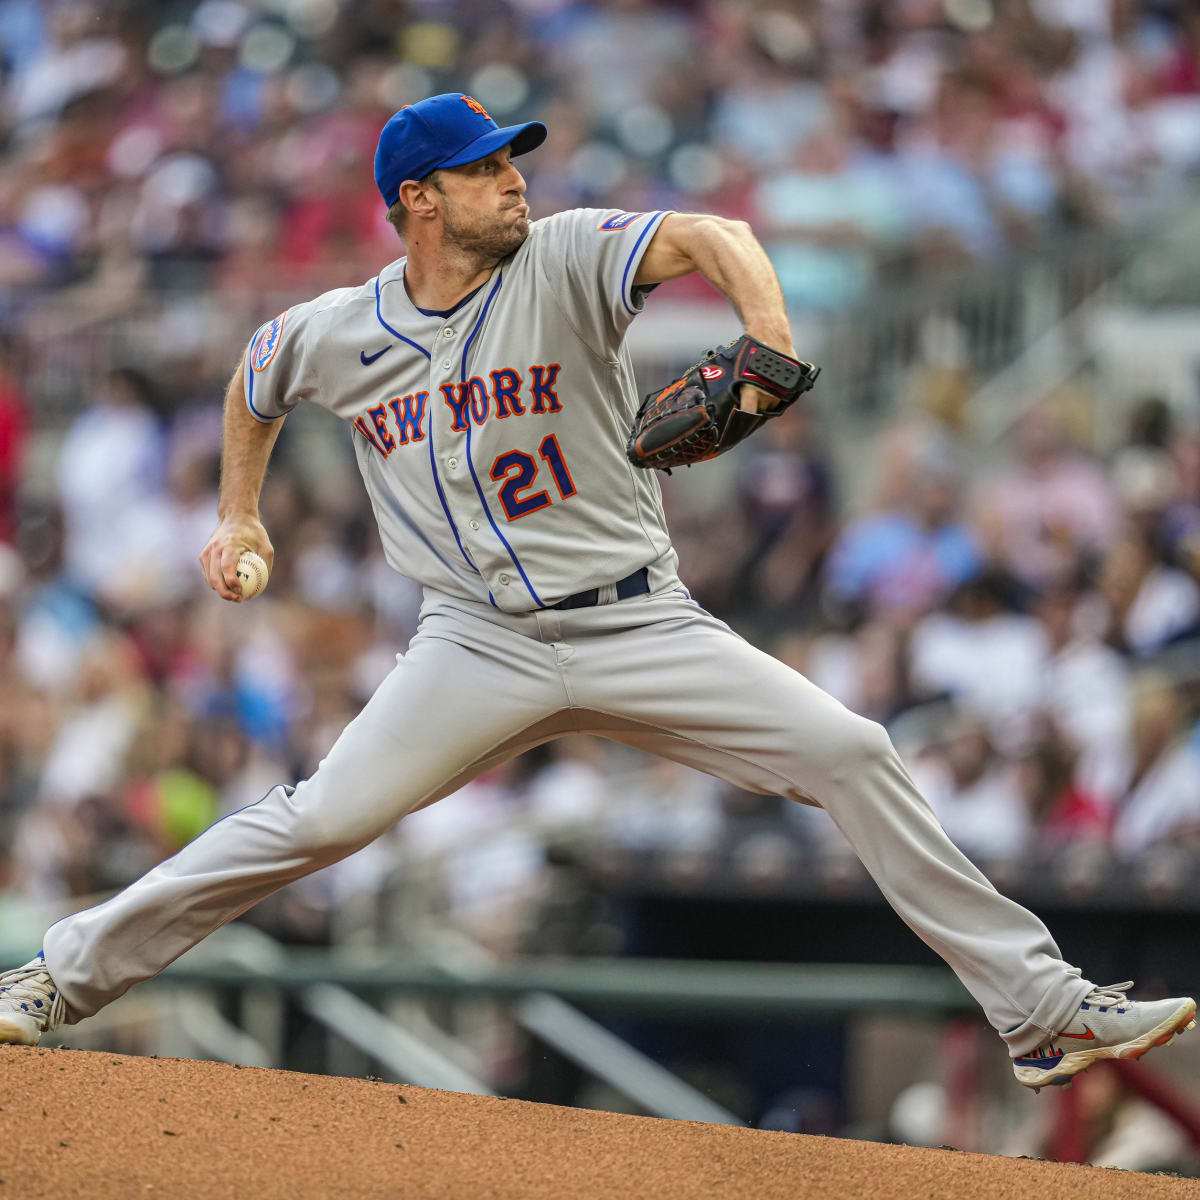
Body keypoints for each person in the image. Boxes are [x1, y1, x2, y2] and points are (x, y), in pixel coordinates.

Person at [0, 93, 1192, 1092]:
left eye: (514, 160)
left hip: (638, 618)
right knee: (314, 822)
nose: (514, 180)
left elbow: (714, 234)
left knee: (853, 749)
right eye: (483, 169)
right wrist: (237, 510)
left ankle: (1041, 1012)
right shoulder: (341, 329)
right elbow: (257, 375)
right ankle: (61, 977)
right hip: (473, 645)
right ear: (419, 199)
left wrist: (766, 337)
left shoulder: (564, 255)